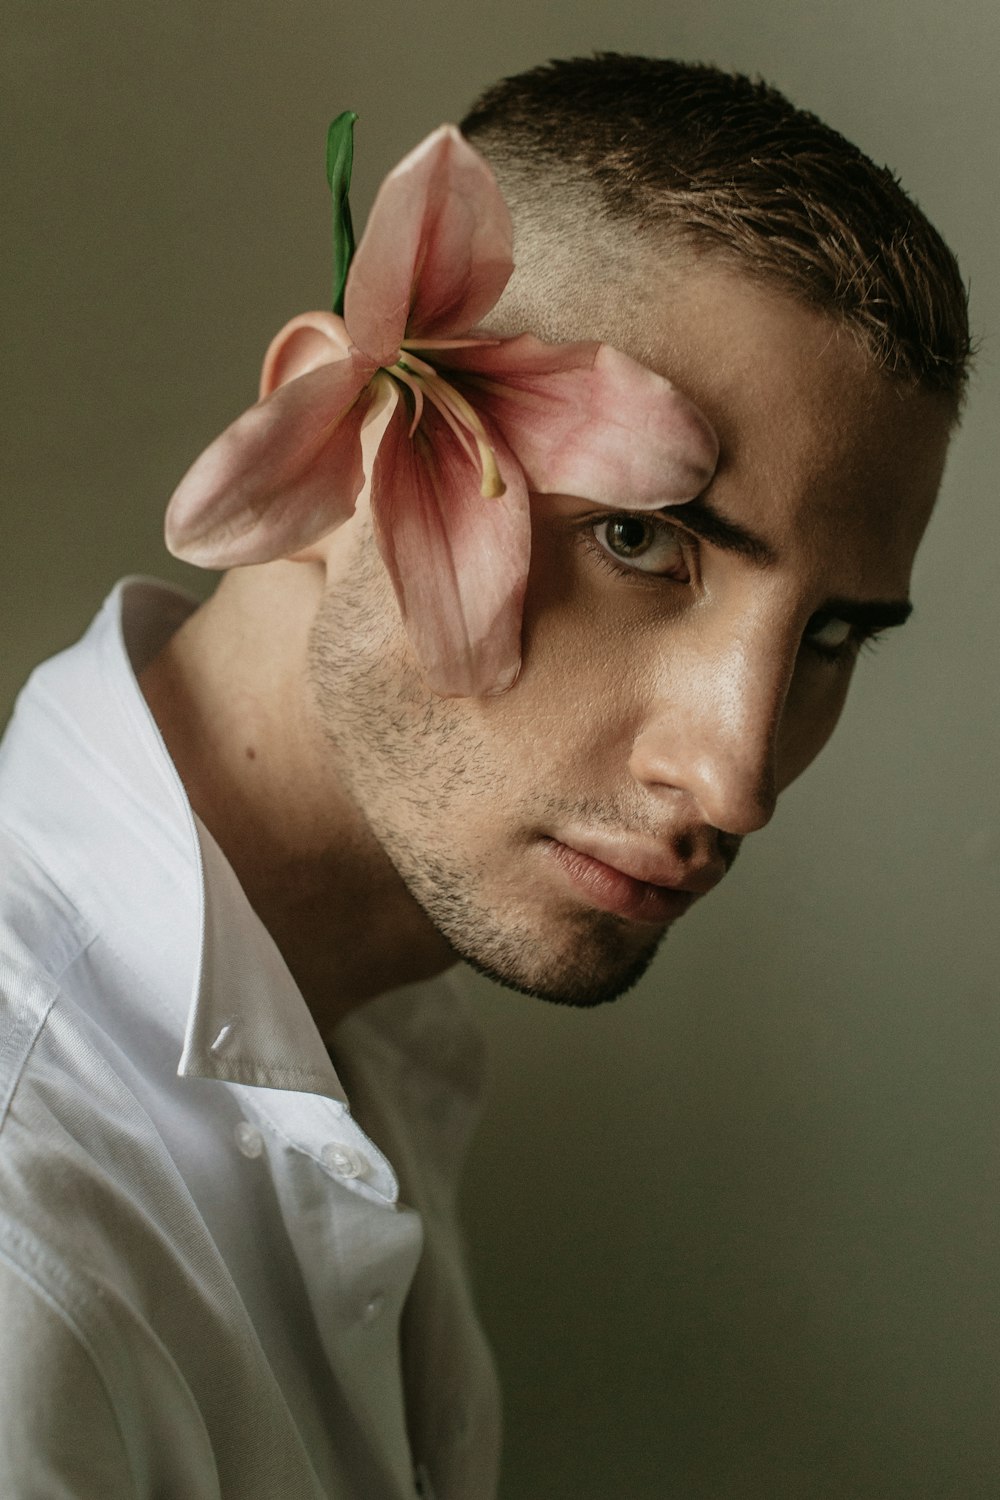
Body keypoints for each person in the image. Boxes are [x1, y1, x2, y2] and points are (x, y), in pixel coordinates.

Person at [0, 52, 970, 1500]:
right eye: (641, 541)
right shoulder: (34, 1251)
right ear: (331, 443)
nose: (737, 777)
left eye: (834, 635)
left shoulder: (377, 1042)